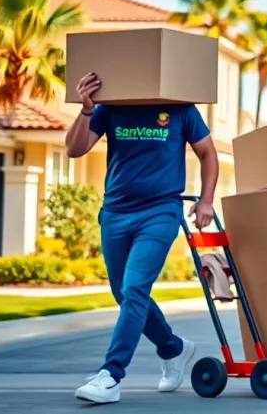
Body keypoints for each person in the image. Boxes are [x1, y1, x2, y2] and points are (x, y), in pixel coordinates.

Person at [64, 71, 220, 403]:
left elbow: (208, 153)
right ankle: (173, 348)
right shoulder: (109, 107)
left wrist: (206, 200)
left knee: (135, 288)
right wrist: (87, 108)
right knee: (124, 294)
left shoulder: (180, 109)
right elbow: (74, 150)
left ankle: (111, 375)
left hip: (160, 212)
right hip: (115, 213)